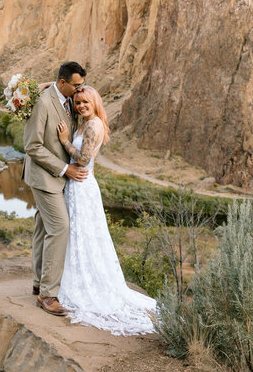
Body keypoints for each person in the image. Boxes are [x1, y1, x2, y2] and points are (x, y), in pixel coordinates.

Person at [56, 85, 156, 335]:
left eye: (85, 102)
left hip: (81, 186)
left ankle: (84, 284)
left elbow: (82, 159)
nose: (80, 106)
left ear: (95, 102)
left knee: (84, 235)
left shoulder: (93, 125)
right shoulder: (85, 122)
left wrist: (64, 141)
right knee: (78, 235)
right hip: (78, 184)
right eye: (77, 102)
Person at [23, 61, 87, 316]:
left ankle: (39, 282)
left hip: (57, 177)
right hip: (44, 177)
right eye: (77, 85)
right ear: (63, 83)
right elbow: (32, 146)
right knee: (60, 227)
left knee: (43, 226)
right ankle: (48, 295)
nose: (81, 90)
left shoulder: (67, 97)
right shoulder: (43, 102)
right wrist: (65, 169)